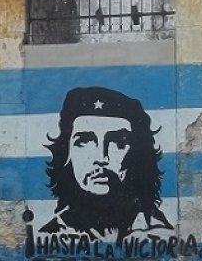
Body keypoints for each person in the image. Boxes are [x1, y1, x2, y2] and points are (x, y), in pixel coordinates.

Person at [40, 86, 172, 242]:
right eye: (84, 141)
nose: (102, 157)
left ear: (139, 155)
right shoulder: (49, 237)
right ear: (66, 153)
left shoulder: (160, 234)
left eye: (118, 142)